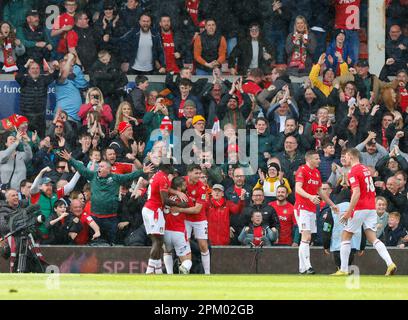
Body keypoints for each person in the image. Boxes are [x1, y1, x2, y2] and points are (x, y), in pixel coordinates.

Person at [58, 149, 154, 244]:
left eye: (102, 166)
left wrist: (142, 171)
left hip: (111, 218)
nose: (99, 168)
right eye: (99, 166)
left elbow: (129, 176)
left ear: (108, 169)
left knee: (112, 242)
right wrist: (70, 159)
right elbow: (82, 169)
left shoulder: (115, 178)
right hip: (95, 218)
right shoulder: (93, 176)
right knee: (94, 241)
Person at [332, 148, 397, 276]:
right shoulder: (365, 169)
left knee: (345, 235)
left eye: (346, 156)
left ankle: (344, 269)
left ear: (351, 156)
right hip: (371, 207)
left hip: (360, 207)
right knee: (373, 238)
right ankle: (390, 263)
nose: (345, 159)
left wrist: (349, 212)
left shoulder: (353, 172)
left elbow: (356, 192)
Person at [295, 150, 339, 275]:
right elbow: (298, 188)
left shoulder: (316, 173)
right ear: (309, 159)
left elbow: (320, 191)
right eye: (316, 158)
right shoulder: (302, 170)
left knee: (307, 239)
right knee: (306, 236)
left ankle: (302, 268)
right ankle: (308, 266)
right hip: (301, 207)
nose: (319, 160)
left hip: (312, 208)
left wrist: (332, 204)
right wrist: (309, 196)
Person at [142, 161, 188, 274]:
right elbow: (165, 200)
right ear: (167, 167)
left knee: (158, 240)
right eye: (172, 166)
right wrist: (180, 205)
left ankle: (157, 270)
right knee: (158, 241)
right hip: (154, 210)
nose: (173, 168)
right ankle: (149, 270)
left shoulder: (156, 175)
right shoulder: (163, 178)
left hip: (149, 209)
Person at [15, 59, 58, 137]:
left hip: (40, 118)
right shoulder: (24, 80)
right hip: (26, 117)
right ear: (28, 71)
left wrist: (57, 68)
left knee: (40, 140)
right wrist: (26, 64)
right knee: (25, 139)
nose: (35, 70)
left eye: (37, 68)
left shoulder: (44, 80)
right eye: (32, 68)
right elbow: (17, 76)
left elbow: (54, 76)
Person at [162, 176, 194, 274]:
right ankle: (183, 270)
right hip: (178, 232)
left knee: (167, 251)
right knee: (187, 260)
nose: (186, 187)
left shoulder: (165, 197)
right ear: (179, 188)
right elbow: (192, 209)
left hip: (166, 231)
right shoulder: (184, 197)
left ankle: (170, 274)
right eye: (184, 185)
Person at [322, 199, 365, 271]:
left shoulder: (333, 209)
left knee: (340, 267)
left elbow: (327, 228)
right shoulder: (357, 208)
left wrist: (326, 245)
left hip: (337, 245)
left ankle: (340, 272)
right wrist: (362, 246)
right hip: (353, 245)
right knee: (348, 266)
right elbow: (362, 228)